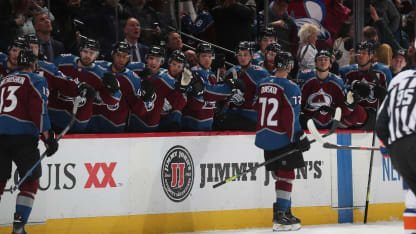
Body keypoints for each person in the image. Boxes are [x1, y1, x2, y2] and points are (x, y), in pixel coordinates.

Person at [0, 49, 58, 234]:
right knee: (31, 181)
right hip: (23, 137)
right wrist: (48, 138)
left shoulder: (3, 81)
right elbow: (38, 110)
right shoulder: (36, 79)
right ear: (34, 64)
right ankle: (18, 227)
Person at [254, 50, 310, 231]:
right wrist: (298, 136)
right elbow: (290, 117)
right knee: (288, 174)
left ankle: (285, 212)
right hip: (282, 137)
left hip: (264, 136)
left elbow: (256, 106)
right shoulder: (291, 87)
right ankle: (279, 217)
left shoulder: (262, 83)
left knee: (280, 174)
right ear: (290, 66)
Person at [376, 68, 416, 234]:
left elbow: (380, 123)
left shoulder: (400, 79)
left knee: (413, 200)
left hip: (399, 151)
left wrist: (388, 145)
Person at [53, 37, 121, 133]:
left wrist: (114, 90)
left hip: (78, 124)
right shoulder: (63, 60)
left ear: (96, 56)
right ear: (80, 51)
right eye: (85, 51)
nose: (87, 56)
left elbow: (113, 101)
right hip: (54, 118)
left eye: (91, 53)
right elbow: (48, 78)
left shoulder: (100, 74)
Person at [87, 41, 155, 133]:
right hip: (88, 127)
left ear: (128, 59)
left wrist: (146, 98)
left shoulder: (133, 79)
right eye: (118, 55)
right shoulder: (97, 67)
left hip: (115, 131)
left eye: (124, 56)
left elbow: (139, 111)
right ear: (112, 55)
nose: (121, 59)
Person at [297, 49, 369, 130]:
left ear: (330, 64)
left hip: (330, 123)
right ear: (316, 63)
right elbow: (296, 102)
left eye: (326, 59)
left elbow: (344, 111)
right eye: (320, 59)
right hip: (308, 122)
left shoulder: (336, 81)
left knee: (359, 112)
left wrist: (350, 105)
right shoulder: (306, 77)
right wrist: (300, 115)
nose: (323, 62)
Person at [182, 42, 245, 131]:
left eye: (210, 56)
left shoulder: (211, 74)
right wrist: (228, 87)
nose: (207, 59)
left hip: (207, 124)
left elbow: (213, 95)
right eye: (204, 56)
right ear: (198, 57)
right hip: (192, 125)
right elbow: (207, 91)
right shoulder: (194, 72)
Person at [127, 46, 187, 132]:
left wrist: (182, 89)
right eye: (151, 58)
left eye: (157, 60)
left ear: (162, 62)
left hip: (151, 125)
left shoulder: (168, 80)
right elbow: (116, 68)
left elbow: (180, 104)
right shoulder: (136, 68)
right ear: (146, 58)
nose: (153, 62)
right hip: (134, 120)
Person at [215, 41, 269, 131]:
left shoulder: (260, 73)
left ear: (251, 56)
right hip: (233, 114)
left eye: (245, 54)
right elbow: (218, 93)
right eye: (240, 55)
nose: (242, 58)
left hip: (251, 117)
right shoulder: (232, 72)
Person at [339, 40, 392, 112]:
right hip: (353, 113)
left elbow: (392, 95)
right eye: (358, 53)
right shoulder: (345, 71)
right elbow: (338, 93)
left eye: (364, 53)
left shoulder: (383, 71)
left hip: (375, 115)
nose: (360, 55)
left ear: (371, 56)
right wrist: (352, 86)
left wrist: (385, 94)